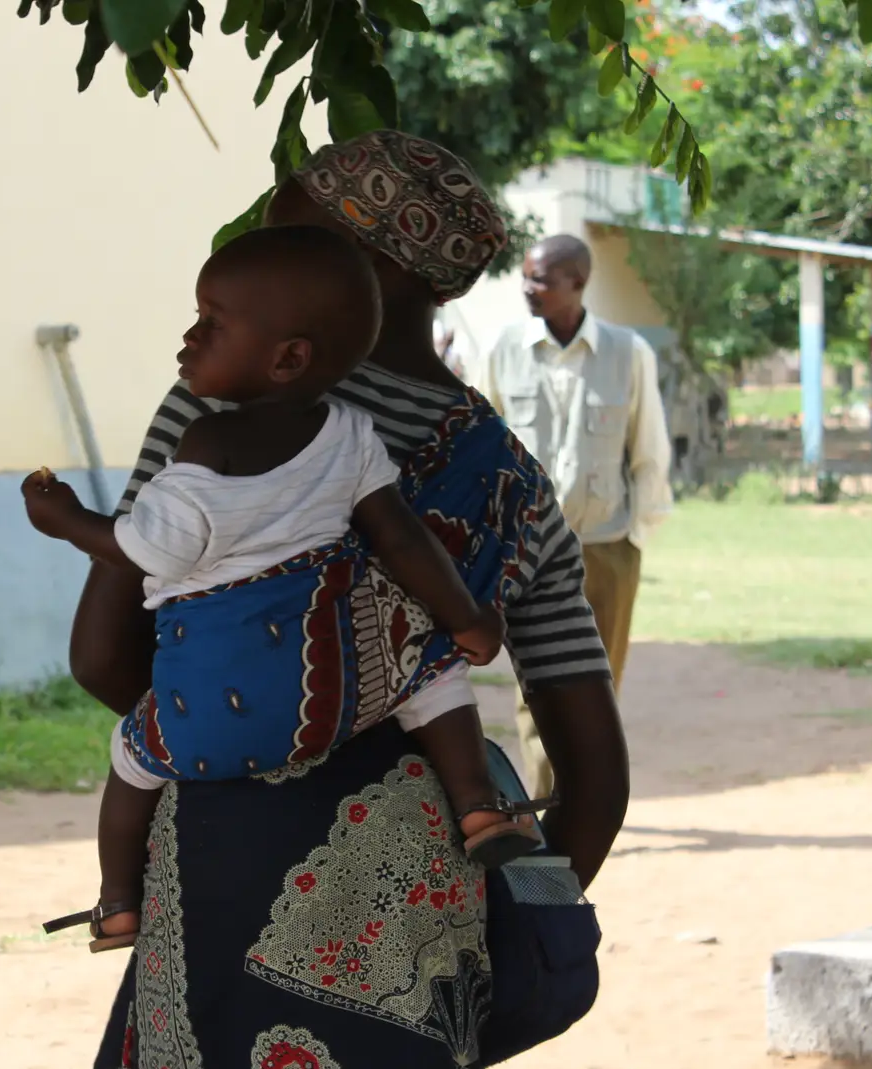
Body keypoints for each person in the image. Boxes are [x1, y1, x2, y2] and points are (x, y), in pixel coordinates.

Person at [70, 131, 629, 1069]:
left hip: (221, 866)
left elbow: (102, 658)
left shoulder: (222, 417)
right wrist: (496, 938)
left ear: (369, 265)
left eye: (288, 236)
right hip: (423, 917)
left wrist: (240, 722)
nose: (259, 252)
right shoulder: (520, 487)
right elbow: (597, 775)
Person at [20, 226, 532, 953]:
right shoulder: (386, 439)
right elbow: (403, 540)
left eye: (210, 324)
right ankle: (480, 805)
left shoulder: (202, 440)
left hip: (203, 731)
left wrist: (65, 518)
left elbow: (140, 556)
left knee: (132, 756)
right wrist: (470, 622)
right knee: (435, 671)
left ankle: (116, 901)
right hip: (331, 699)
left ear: (289, 357)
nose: (188, 340)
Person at [467, 234, 671, 800]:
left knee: (597, 689)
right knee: (535, 688)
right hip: (525, 551)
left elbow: (648, 450)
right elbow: (480, 444)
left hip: (606, 548)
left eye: (542, 279)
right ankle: (542, 806)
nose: (528, 288)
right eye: (526, 277)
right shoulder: (504, 350)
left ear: (577, 284)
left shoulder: (627, 353)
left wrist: (635, 537)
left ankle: (585, 804)